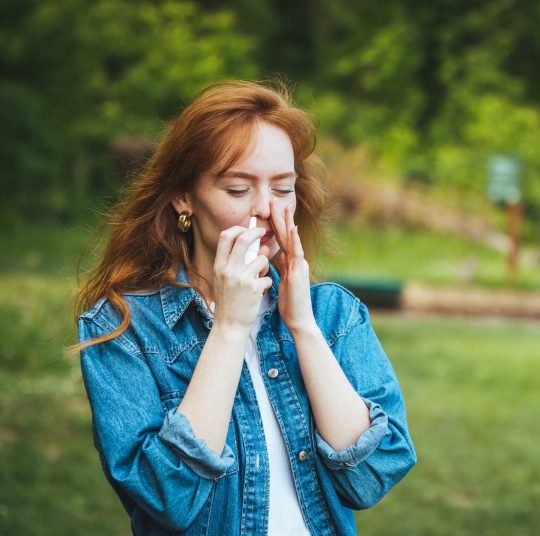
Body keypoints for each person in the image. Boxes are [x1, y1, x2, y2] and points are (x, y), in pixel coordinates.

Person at [74, 80, 416, 536]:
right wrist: (230, 328)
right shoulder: (125, 329)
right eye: (237, 189)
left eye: (283, 188)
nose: (266, 209)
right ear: (184, 197)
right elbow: (167, 498)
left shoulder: (333, 314)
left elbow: (374, 474)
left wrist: (304, 328)